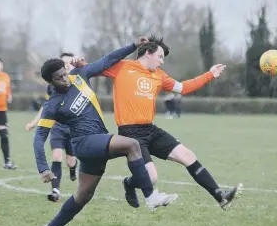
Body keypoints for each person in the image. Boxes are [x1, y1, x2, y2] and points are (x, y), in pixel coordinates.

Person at [35, 38, 177, 226]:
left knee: (83, 195)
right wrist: (43, 168)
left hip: (98, 139)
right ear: (51, 82)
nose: (65, 80)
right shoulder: (52, 105)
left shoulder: (79, 75)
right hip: (84, 143)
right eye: (59, 78)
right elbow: (39, 137)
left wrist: (133, 46)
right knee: (132, 145)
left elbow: (108, 59)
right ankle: (151, 196)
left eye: (65, 73)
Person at [101, 35, 242, 210]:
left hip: (150, 130)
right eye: (160, 56)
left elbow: (183, 88)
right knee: (151, 178)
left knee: (188, 156)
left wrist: (210, 74)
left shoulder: (159, 76)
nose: (161, 61)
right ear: (147, 53)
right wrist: (76, 66)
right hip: (130, 133)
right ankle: (129, 184)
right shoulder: (123, 67)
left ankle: (220, 196)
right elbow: (96, 67)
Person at [26, 53, 79, 202]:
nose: (67, 65)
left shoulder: (78, 80)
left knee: (70, 161)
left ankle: (73, 168)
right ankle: (55, 190)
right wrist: (35, 122)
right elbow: (47, 108)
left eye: (69, 63)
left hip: (73, 129)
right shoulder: (53, 86)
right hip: (57, 128)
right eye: (65, 62)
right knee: (57, 156)